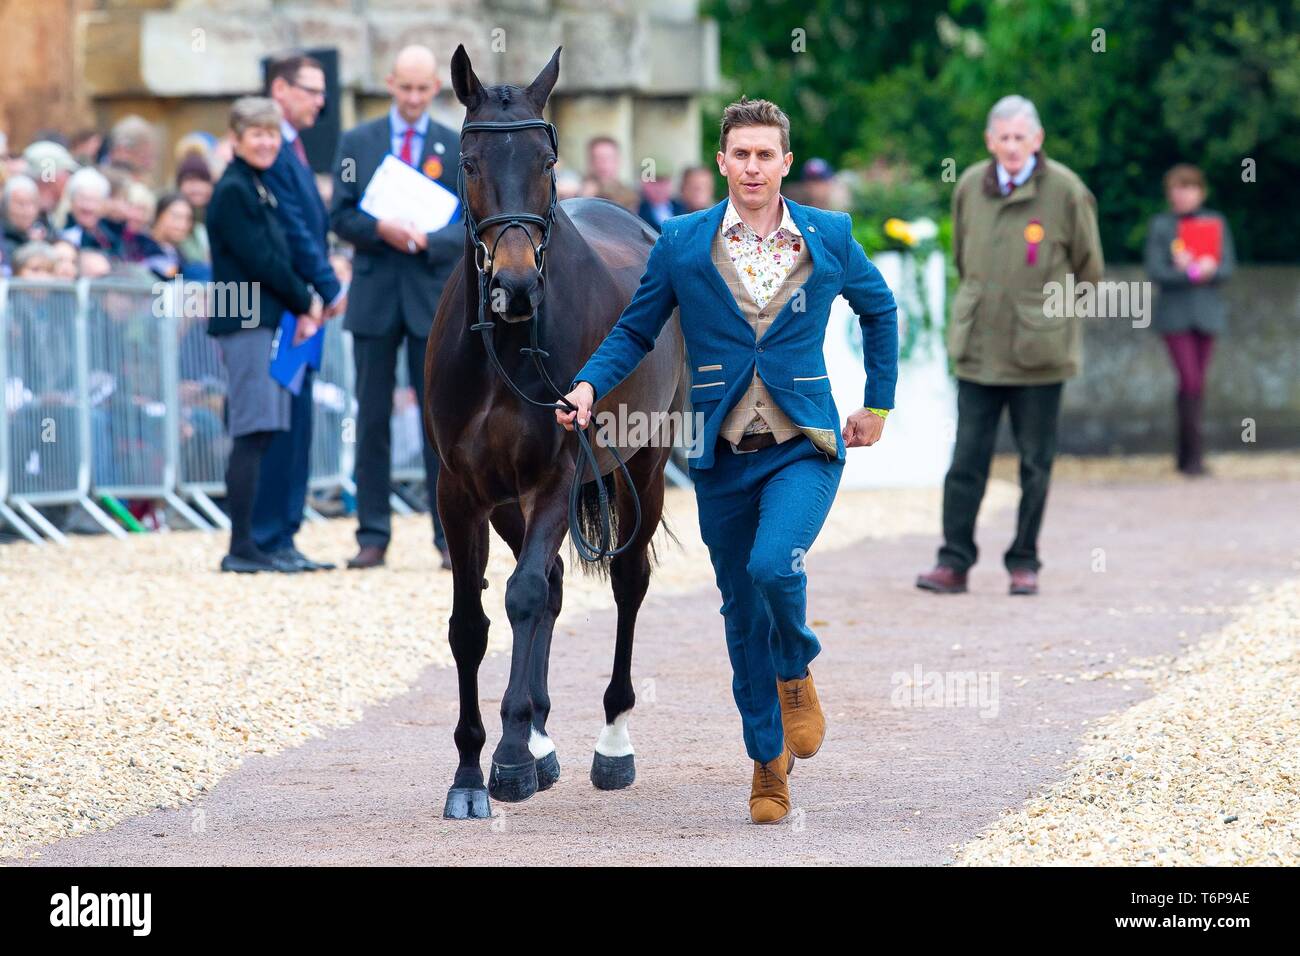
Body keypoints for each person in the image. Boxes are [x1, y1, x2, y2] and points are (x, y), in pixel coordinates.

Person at [557, 97, 899, 825]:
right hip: (720, 453)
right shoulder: (682, 242)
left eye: (765, 154)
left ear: (784, 161)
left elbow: (880, 309)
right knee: (741, 613)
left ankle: (796, 668)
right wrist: (586, 385)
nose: (752, 167)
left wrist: (878, 403)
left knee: (773, 566)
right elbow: (636, 330)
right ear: (722, 162)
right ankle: (767, 763)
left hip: (804, 444)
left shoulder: (830, 234)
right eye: (740, 154)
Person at [916, 95, 1103, 598]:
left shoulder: (1066, 191)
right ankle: (953, 561)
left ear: (1037, 140)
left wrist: (1050, 318)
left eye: (1022, 137)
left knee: (1035, 465)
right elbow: (964, 258)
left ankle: (1024, 562)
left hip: (1039, 356)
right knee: (965, 462)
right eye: (1005, 137)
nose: (1013, 146)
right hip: (979, 349)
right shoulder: (969, 186)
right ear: (990, 141)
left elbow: (1089, 269)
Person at [329, 44, 459, 570]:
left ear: (435, 88)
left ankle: (449, 537)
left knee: (438, 421)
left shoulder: (456, 144)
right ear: (389, 84)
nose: (412, 97)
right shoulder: (357, 141)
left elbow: (473, 223)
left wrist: (432, 241)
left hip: (431, 297)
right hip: (375, 295)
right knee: (372, 419)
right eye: (404, 87)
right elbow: (339, 216)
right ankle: (372, 534)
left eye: (422, 88)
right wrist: (379, 228)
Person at [206, 96, 320, 574]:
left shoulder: (256, 184)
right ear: (235, 139)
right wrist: (305, 299)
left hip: (265, 318)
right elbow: (262, 259)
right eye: (256, 133)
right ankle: (241, 545)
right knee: (251, 431)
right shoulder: (234, 190)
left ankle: (258, 542)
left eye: (272, 133)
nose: (267, 142)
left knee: (265, 430)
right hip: (245, 317)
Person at [253, 52, 348, 572]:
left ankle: (284, 533)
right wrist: (327, 287)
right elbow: (291, 228)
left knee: (298, 421)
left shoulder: (294, 147)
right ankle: (268, 536)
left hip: (303, 304)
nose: (321, 101)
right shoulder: (270, 151)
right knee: (279, 421)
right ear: (280, 90)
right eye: (311, 90)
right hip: (286, 305)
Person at [1144, 164, 1235, 476]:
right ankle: (1193, 457)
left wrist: (1208, 268)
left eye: (1189, 188)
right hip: (1175, 316)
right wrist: (1188, 271)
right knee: (1190, 380)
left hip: (1206, 314)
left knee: (1195, 384)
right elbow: (1156, 271)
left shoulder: (1215, 222)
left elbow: (1227, 267)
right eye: (1177, 189)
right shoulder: (1161, 226)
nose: (1182, 195)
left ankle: (1187, 455)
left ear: (1200, 192)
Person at [61, 166, 119, 255]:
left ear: (103, 205)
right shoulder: (59, 231)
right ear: (71, 202)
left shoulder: (111, 238)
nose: (88, 206)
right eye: (83, 199)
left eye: (94, 200)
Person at [636, 167, 686, 233]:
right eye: (653, 183)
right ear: (644, 184)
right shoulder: (638, 211)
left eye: (663, 181)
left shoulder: (682, 208)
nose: (659, 188)